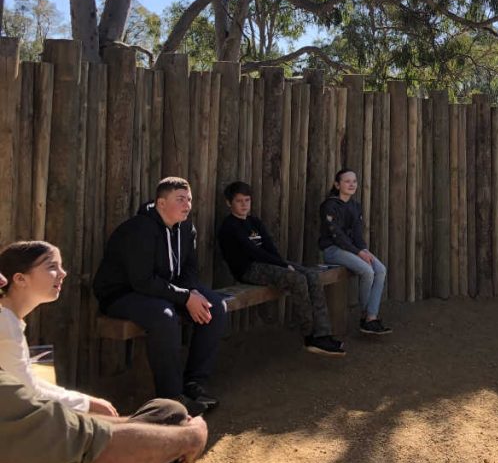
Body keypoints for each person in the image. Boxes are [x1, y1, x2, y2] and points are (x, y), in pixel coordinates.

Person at [0, 267, 208, 463]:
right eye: (51, 266)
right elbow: (100, 448)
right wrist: (192, 437)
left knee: (168, 412)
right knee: (162, 443)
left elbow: (62, 423)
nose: (1, 280)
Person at [92, 177, 227, 416]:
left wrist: (191, 292)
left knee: (215, 306)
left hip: (163, 290)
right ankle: (172, 398)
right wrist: (185, 297)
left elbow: (189, 268)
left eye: (189, 199)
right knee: (164, 317)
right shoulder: (139, 229)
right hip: (123, 294)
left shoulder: (186, 227)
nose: (187, 205)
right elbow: (141, 281)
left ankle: (195, 383)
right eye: (180, 199)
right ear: (161, 203)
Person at [218, 180, 345, 356]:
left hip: (269, 264)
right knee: (297, 279)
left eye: (247, 200)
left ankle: (323, 333)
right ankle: (310, 336)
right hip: (248, 269)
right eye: (239, 201)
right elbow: (252, 251)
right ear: (229, 203)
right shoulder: (229, 226)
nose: (244, 205)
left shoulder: (254, 221)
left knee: (311, 275)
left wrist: (282, 263)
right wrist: (284, 266)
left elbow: (269, 247)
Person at [0, 241, 118, 416]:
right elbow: (29, 394)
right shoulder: (6, 323)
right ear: (20, 279)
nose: (63, 273)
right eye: (52, 266)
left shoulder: (10, 320)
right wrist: (87, 404)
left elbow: (30, 381)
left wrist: (85, 400)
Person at [319, 169, 391, 335]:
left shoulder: (355, 206)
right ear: (337, 185)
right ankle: (367, 318)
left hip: (353, 251)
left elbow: (358, 235)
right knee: (367, 271)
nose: (352, 184)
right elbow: (337, 236)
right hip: (333, 250)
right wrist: (359, 253)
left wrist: (364, 250)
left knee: (380, 270)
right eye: (347, 181)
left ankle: (371, 315)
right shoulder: (329, 206)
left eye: (354, 181)